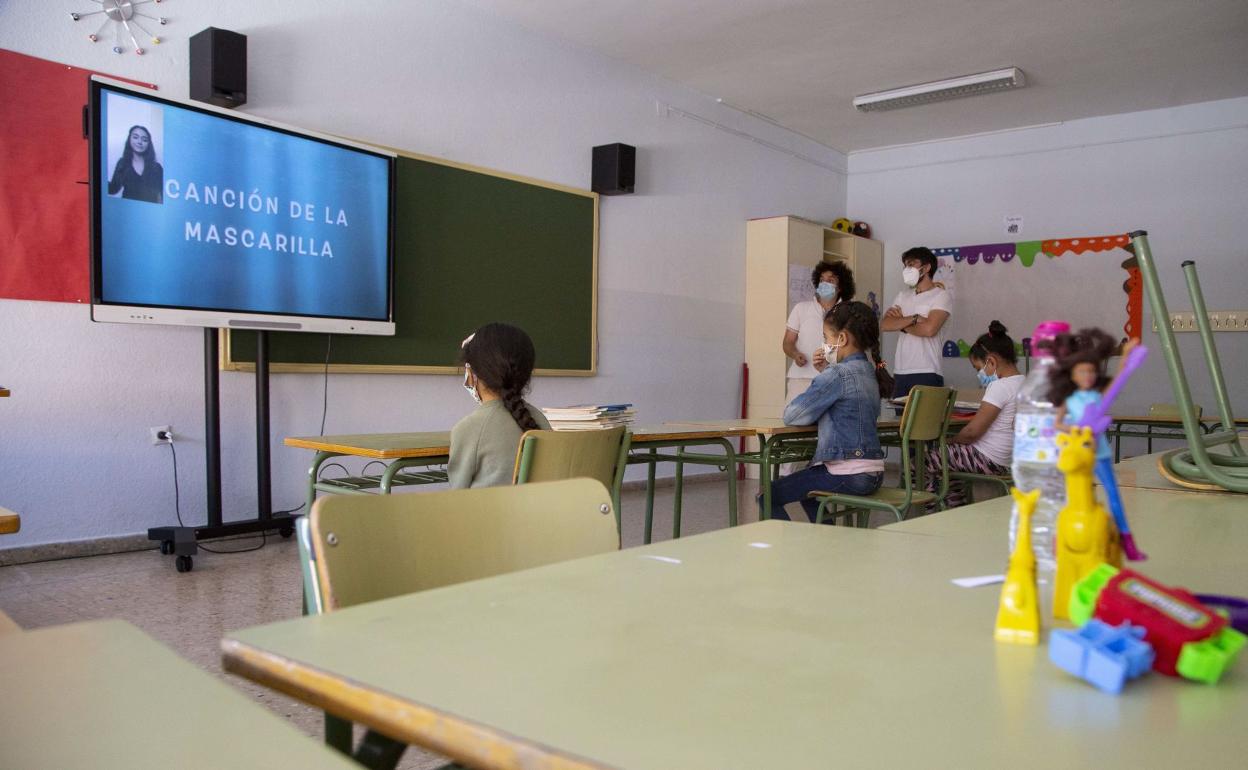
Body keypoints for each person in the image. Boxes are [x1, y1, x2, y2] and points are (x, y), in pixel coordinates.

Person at [766, 301, 893, 522]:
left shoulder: (838, 374)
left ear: (842, 339)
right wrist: (827, 372)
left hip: (848, 472)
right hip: (873, 473)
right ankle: (829, 540)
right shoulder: (869, 372)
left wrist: (826, 375)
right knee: (809, 493)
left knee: (767, 495)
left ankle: (788, 553)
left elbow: (793, 415)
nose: (824, 343)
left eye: (826, 338)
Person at [1048, 328, 1146, 561]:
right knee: (1065, 497)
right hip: (1077, 454)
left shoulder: (1096, 397)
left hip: (1099, 453)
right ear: (1073, 374)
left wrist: (1125, 358)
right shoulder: (1069, 399)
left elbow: (1120, 380)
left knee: (1113, 494)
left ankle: (1127, 542)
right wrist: (1077, 430)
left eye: (1091, 371)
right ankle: (1057, 539)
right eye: (1082, 371)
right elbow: (1057, 424)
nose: (1088, 375)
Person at [923, 321, 1024, 508]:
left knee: (925, 461)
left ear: (991, 361)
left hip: (987, 458)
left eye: (979, 368)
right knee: (948, 461)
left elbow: (972, 432)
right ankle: (955, 507)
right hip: (1008, 460)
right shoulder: (1024, 383)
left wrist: (951, 441)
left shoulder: (1000, 387)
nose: (980, 374)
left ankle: (932, 511)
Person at [448, 323, 551, 489]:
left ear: (472, 373)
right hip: (536, 514)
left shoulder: (469, 428)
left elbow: (456, 496)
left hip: (487, 514)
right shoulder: (540, 420)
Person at [881, 247, 952, 398]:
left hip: (928, 370)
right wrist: (914, 319)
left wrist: (901, 324)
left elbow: (929, 330)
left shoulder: (941, 296)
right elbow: (885, 324)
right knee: (900, 421)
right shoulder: (902, 296)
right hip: (900, 371)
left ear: (926, 268)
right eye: (905, 265)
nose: (907, 269)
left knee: (925, 421)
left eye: (911, 264)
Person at [783, 261, 855, 399]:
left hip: (834, 379)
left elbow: (851, 346)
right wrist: (795, 354)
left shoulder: (848, 312)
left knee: (828, 421)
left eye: (830, 280)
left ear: (840, 287)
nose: (824, 284)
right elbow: (787, 342)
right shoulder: (801, 308)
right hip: (801, 379)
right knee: (794, 419)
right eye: (822, 280)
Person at [108, 125, 163, 203]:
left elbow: (162, 196)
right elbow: (113, 189)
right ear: (129, 139)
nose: (139, 142)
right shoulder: (123, 163)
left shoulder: (157, 168)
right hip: (127, 211)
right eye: (135, 137)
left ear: (149, 144)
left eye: (144, 139)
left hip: (150, 213)